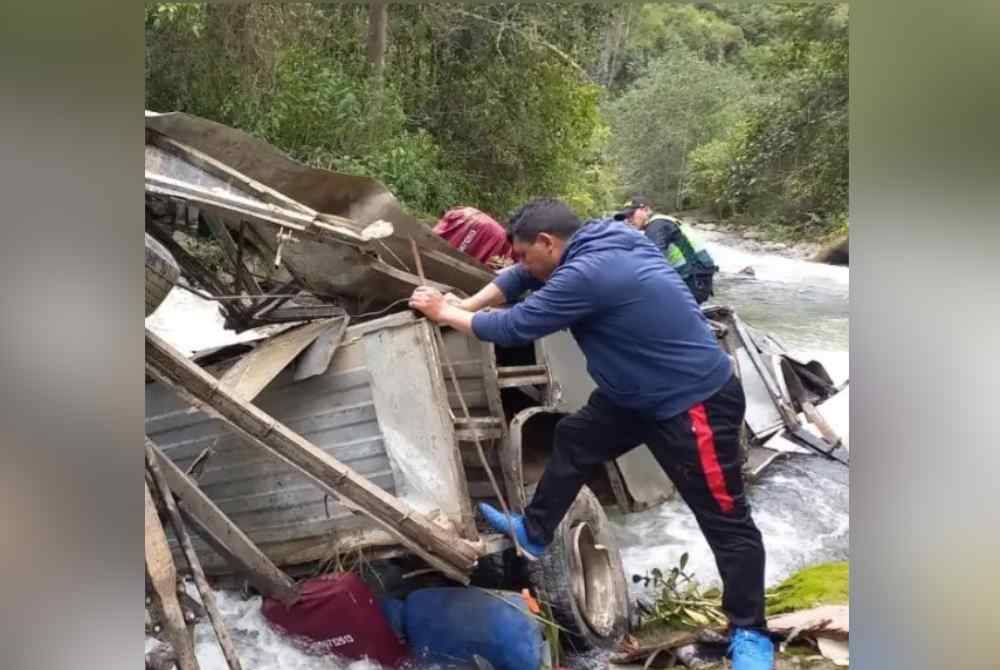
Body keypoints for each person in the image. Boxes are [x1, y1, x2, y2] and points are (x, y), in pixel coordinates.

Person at [409, 198, 773, 670]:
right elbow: (521, 278)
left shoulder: (588, 274)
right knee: (576, 438)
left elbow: (517, 326)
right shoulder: (605, 235)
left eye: (522, 253)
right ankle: (536, 531)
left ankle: (751, 633)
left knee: (726, 522)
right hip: (633, 394)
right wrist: (466, 303)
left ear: (547, 242)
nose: (517, 264)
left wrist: (444, 312)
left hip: (692, 402)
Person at [614, 196, 719, 304]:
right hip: (698, 276)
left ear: (646, 210)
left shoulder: (656, 226)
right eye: (626, 217)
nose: (628, 220)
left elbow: (652, 262)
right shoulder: (662, 222)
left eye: (631, 214)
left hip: (693, 278)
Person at [433, 206, 514, 270]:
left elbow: (435, 235)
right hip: (498, 238)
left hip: (491, 235)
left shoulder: (458, 215)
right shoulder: (466, 212)